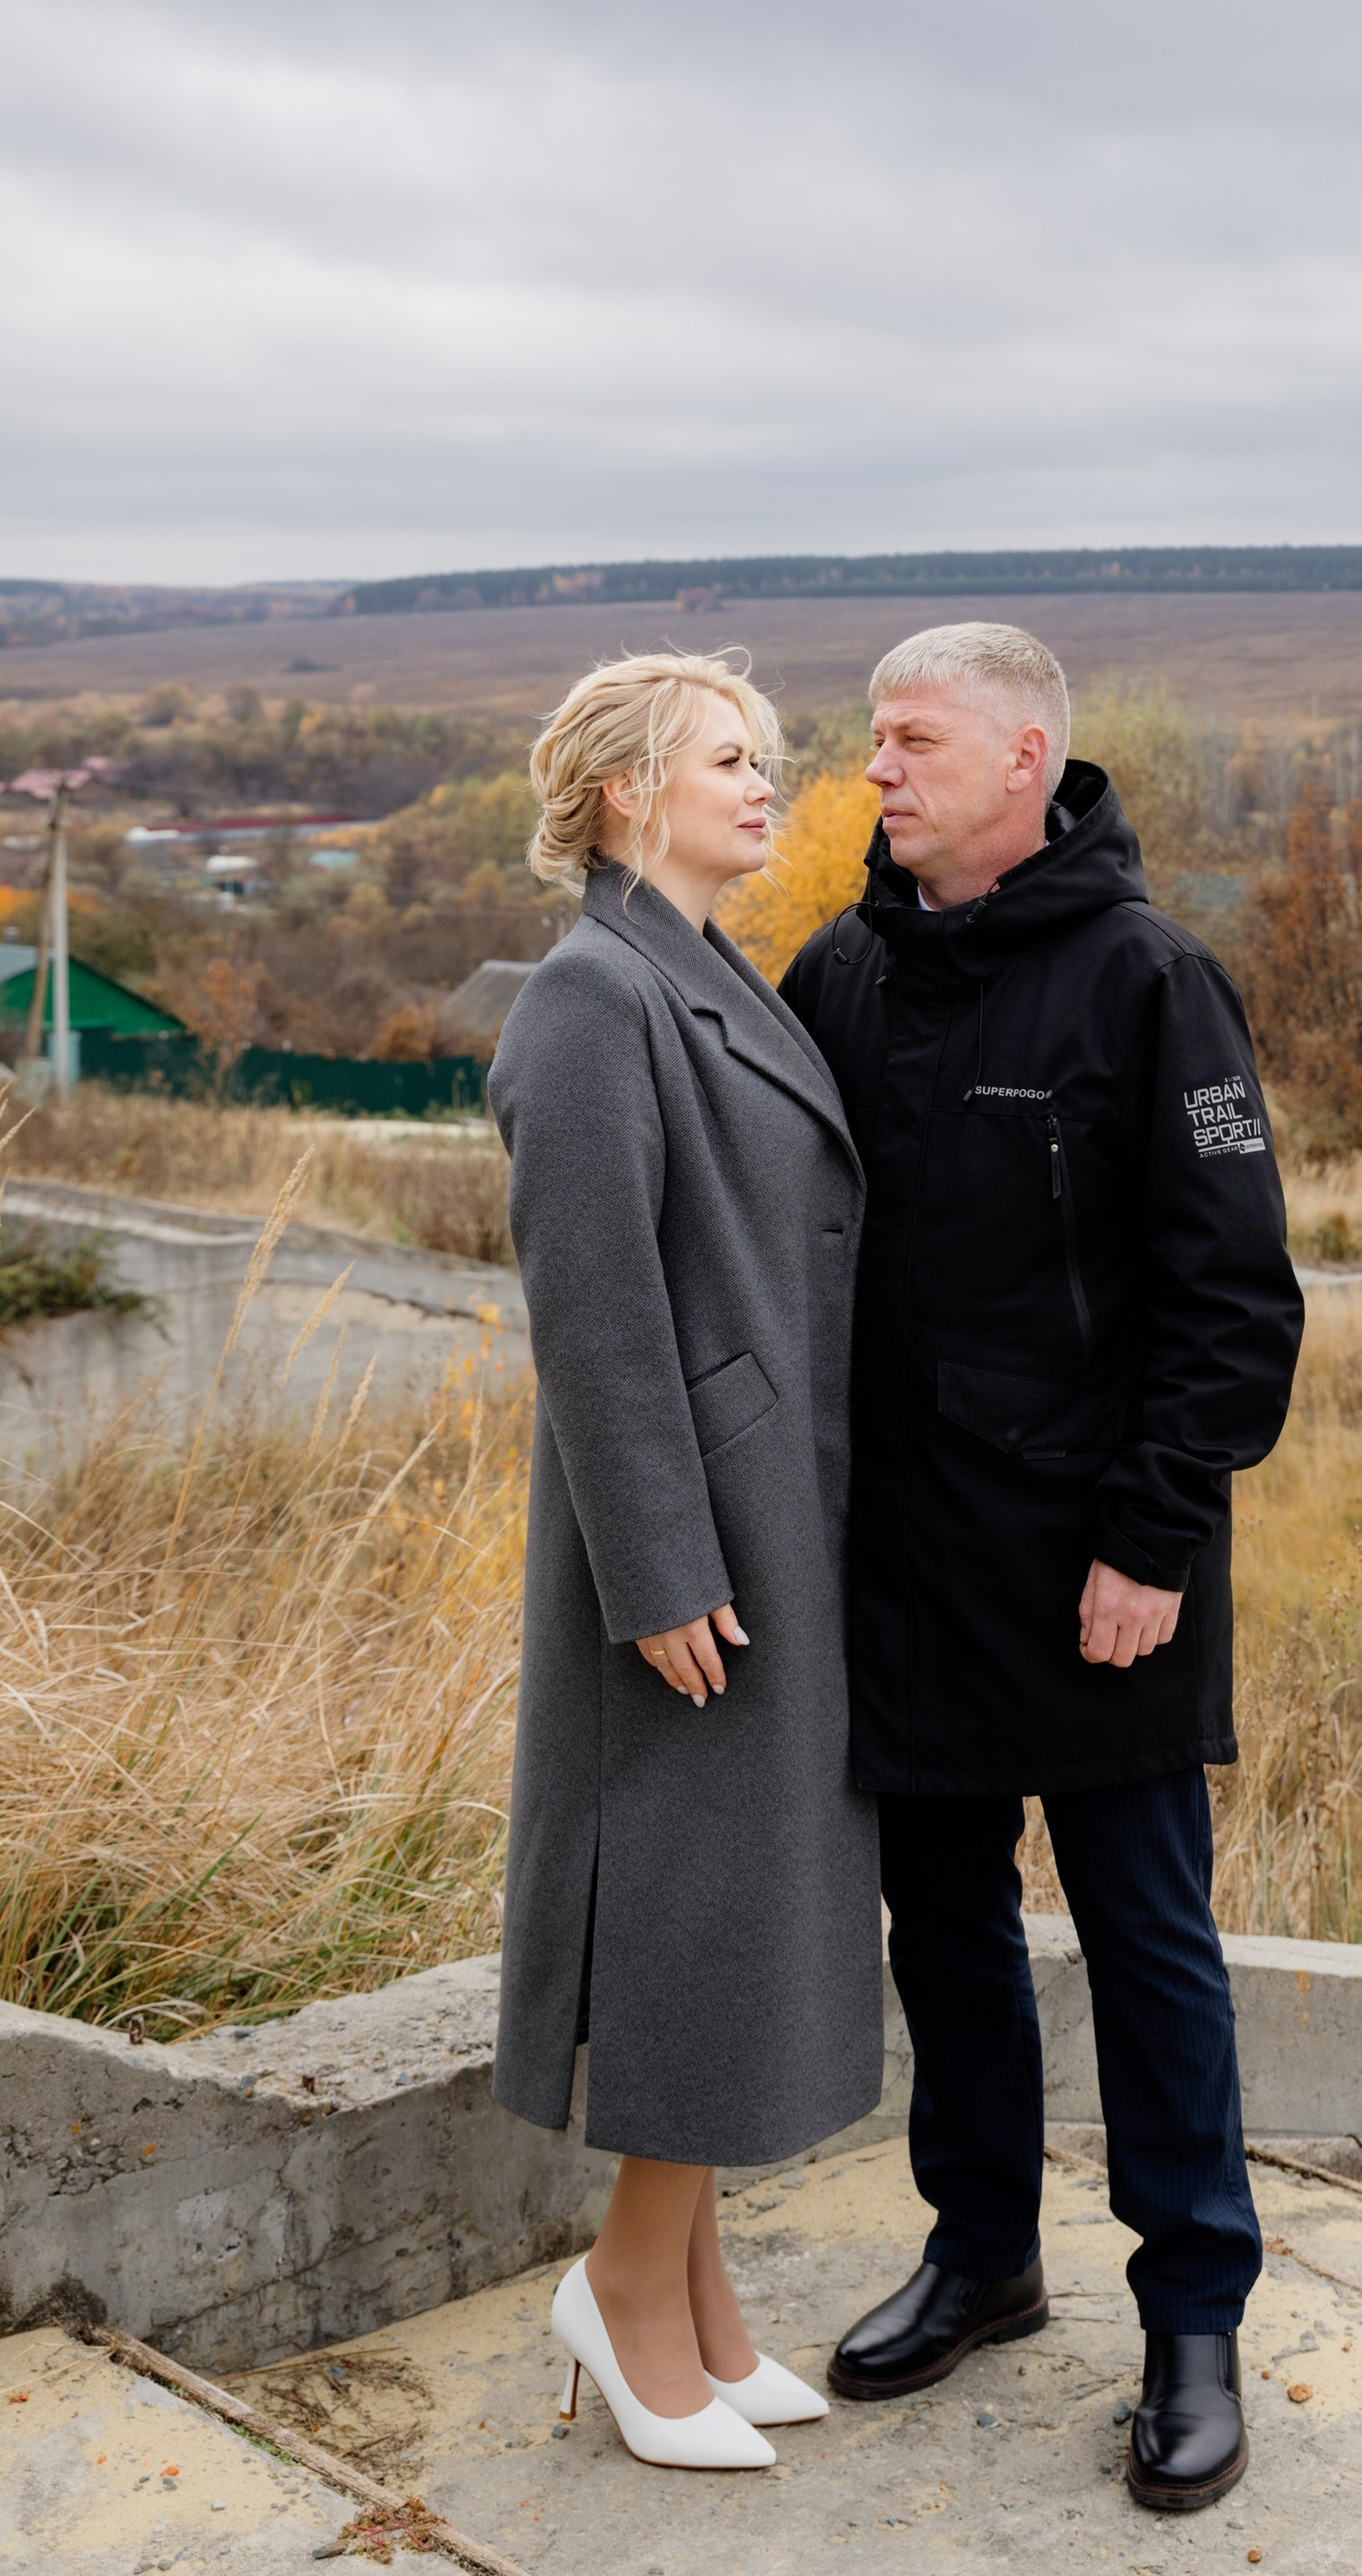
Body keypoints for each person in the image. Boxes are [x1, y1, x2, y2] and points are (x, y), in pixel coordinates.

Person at [781, 621, 1303, 2516]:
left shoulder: (1152, 982)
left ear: (1022, 759)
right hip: (900, 1570)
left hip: (1099, 1575)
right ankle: (980, 2252)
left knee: (1148, 1946)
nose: (876, 773)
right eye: (869, 743)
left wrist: (1151, 1539)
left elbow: (1234, 1300)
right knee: (946, 1930)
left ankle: (1191, 2322)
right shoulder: (835, 971)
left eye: (910, 742)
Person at [488, 650, 881, 2472]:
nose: (769, 783)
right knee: (693, 1923)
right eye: (731, 759)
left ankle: (703, 2309)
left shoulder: (701, 972)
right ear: (634, 794)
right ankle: (628, 2298)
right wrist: (654, 1568)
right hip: (692, 1557)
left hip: (769, 1527)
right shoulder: (587, 997)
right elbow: (594, 1311)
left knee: (740, 1918)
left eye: (768, 756)